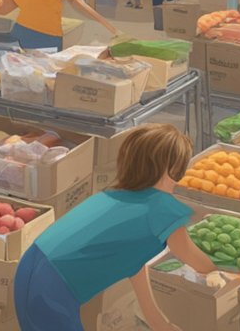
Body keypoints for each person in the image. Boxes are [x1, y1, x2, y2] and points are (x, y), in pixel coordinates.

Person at [15, 124, 223, 331]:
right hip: (52, 288)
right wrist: (224, 273)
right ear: (171, 170)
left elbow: (133, 263)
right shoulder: (161, 208)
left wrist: (159, 323)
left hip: (30, 267)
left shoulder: (111, 198)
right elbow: (196, 259)